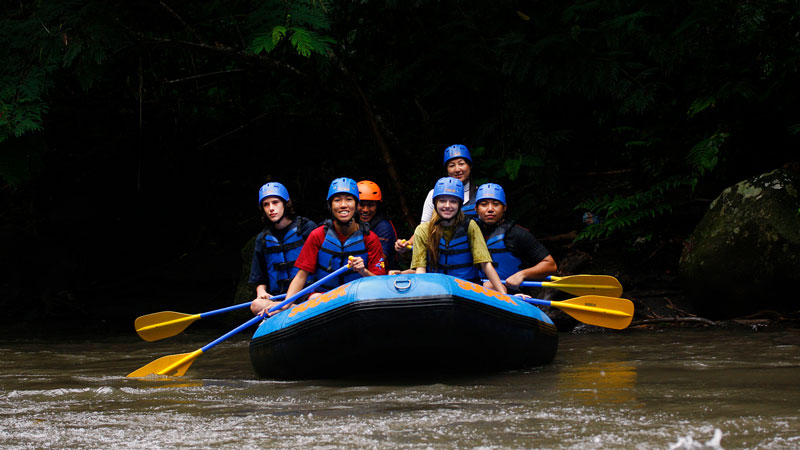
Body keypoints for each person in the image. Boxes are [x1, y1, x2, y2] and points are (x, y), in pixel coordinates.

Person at [253, 177, 386, 316]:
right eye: (337, 200)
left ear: (356, 205)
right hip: (325, 298)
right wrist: (284, 305)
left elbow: (380, 284)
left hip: (357, 298)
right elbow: (301, 276)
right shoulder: (318, 235)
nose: (343, 205)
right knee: (258, 305)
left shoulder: (370, 238)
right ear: (330, 205)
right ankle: (294, 308)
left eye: (349, 199)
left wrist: (363, 271)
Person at [409, 177, 506, 294]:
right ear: (435, 203)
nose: (447, 206)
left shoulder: (470, 226)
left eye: (453, 201)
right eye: (442, 201)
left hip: (467, 289)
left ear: (460, 204)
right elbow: (420, 269)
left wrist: (503, 293)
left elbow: (485, 263)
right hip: (437, 289)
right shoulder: (423, 230)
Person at [395, 144, 478, 255]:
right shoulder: (434, 194)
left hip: (472, 255)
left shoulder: (481, 195)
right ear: (447, 169)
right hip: (441, 255)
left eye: (461, 164)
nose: (457, 169)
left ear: (470, 166)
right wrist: (407, 244)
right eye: (452, 165)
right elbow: (425, 228)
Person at [249, 182, 317, 315]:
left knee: (317, 298)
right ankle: (288, 308)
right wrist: (261, 292)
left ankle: (287, 308)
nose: (271, 208)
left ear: (285, 204)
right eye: (266, 204)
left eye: (275, 202)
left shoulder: (306, 227)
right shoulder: (262, 239)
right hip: (278, 297)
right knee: (256, 305)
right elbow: (260, 277)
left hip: (306, 292)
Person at [474, 183, 557, 291]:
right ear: (476, 208)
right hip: (476, 290)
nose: (490, 209)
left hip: (513, 294)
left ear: (504, 208)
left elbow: (550, 265)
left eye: (496, 204)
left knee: (489, 286)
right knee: (487, 286)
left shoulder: (517, 234)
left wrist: (522, 274)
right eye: (484, 204)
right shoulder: (468, 232)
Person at [357, 180, 398, 270]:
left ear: (377, 206)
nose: (365, 209)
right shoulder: (352, 222)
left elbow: (379, 261)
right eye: (361, 205)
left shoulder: (384, 227)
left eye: (370, 205)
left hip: (380, 275)